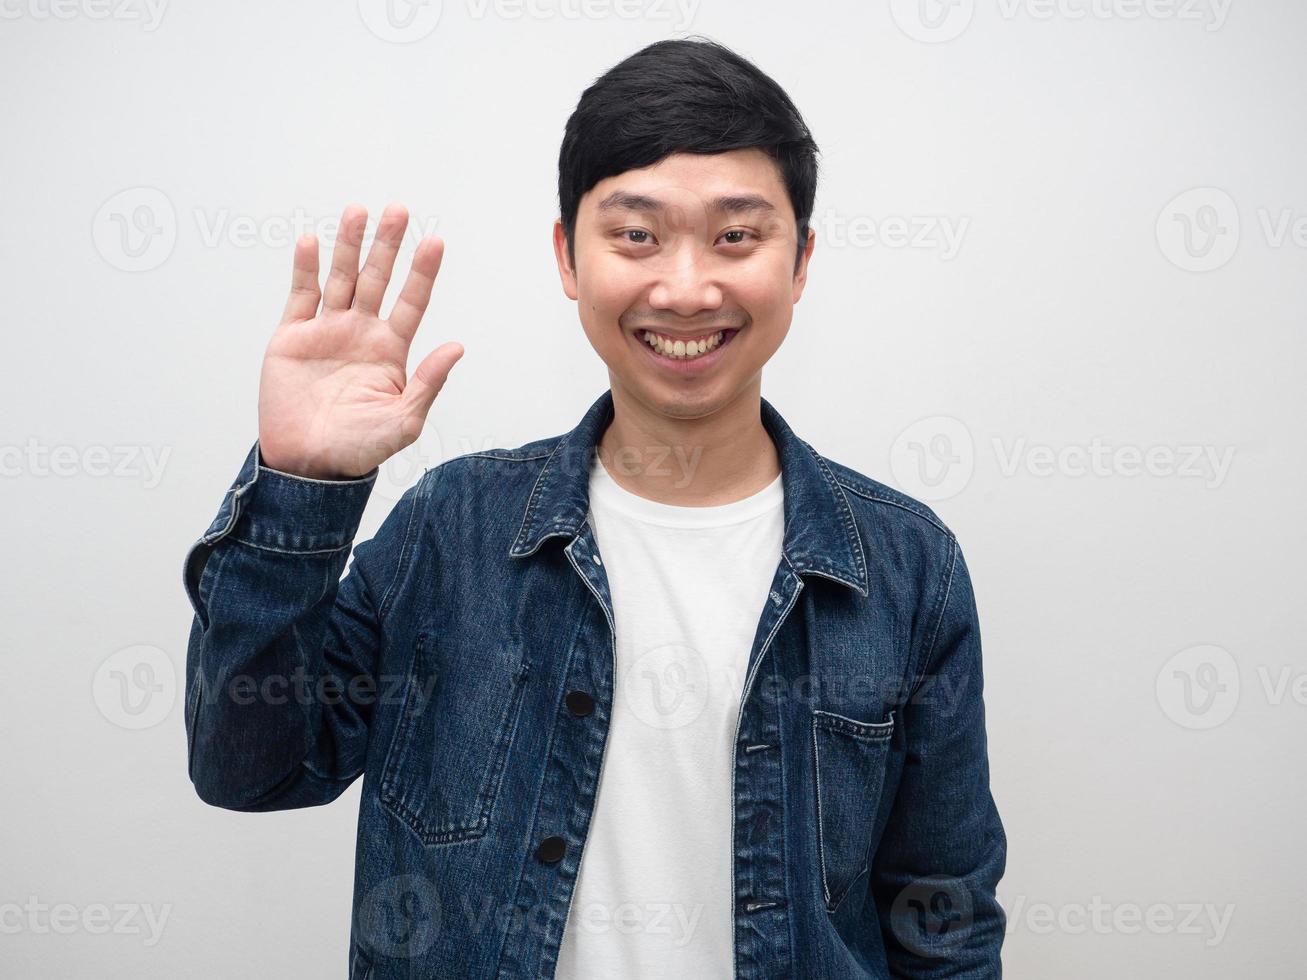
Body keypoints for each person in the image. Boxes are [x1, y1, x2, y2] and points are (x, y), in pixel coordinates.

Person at [182, 36, 1006, 979]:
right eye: (636, 235)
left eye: (736, 235)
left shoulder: (904, 565)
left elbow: (939, 917)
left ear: (801, 259)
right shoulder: (452, 530)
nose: (686, 287)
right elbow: (247, 769)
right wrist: (301, 489)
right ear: (568, 256)